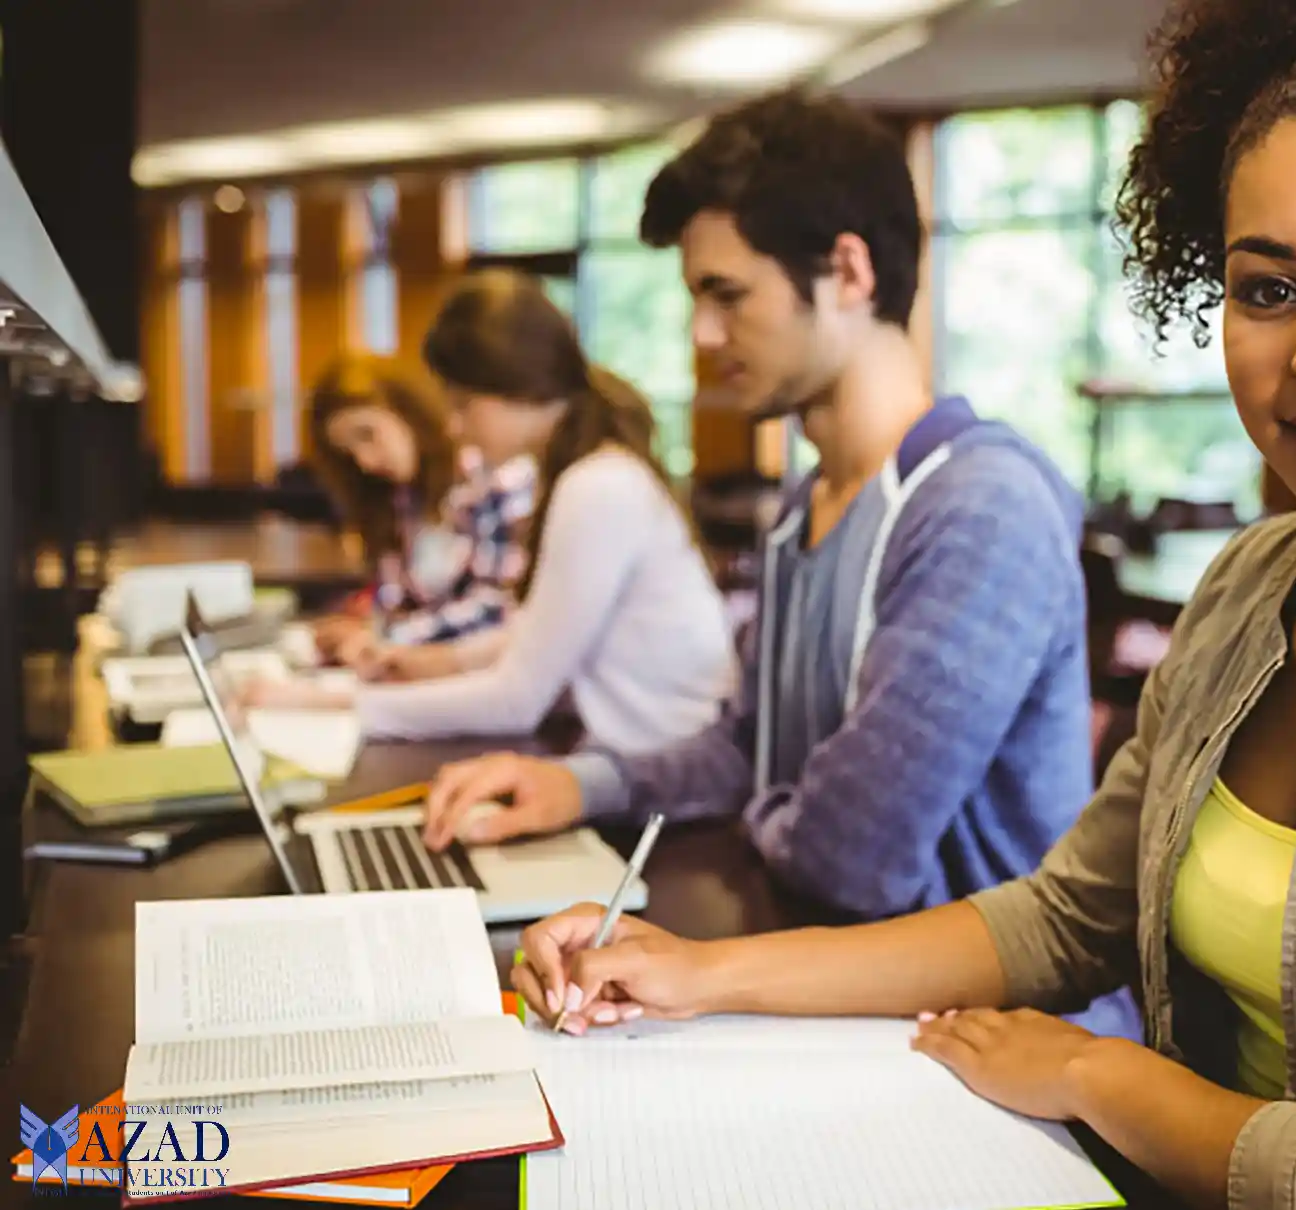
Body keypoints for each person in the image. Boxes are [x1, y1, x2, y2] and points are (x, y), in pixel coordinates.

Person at [507, 0, 1296, 1205]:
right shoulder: (1249, 588)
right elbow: (1065, 917)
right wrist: (694, 973)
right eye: (1271, 287)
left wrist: (1093, 1071)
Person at [421, 90, 1129, 1033]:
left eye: (727, 295)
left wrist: (768, 803)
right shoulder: (807, 504)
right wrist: (577, 783)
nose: (703, 337)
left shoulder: (978, 507)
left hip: (993, 1046)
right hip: (844, 1002)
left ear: (846, 271)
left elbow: (851, 860)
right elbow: (741, 750)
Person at [248, 271, 736, 753]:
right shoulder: (588, 472)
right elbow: (540, 633)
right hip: (636, 761)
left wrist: (333, 704)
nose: (456, 427)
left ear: (517, 386)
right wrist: (438, 661)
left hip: (663, 781)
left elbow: (516, 701)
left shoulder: (598, 487)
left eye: (463, 405)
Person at [303, 352, 537, 678]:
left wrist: (385, 639)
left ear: (409, 413)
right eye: (349, 453)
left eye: (368, 434)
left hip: (486, 684)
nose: (366, 461)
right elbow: (403, 605)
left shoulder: (492, 480)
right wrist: (365, 630)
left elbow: (497, 611)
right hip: (420, 683)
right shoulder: (399, 502)